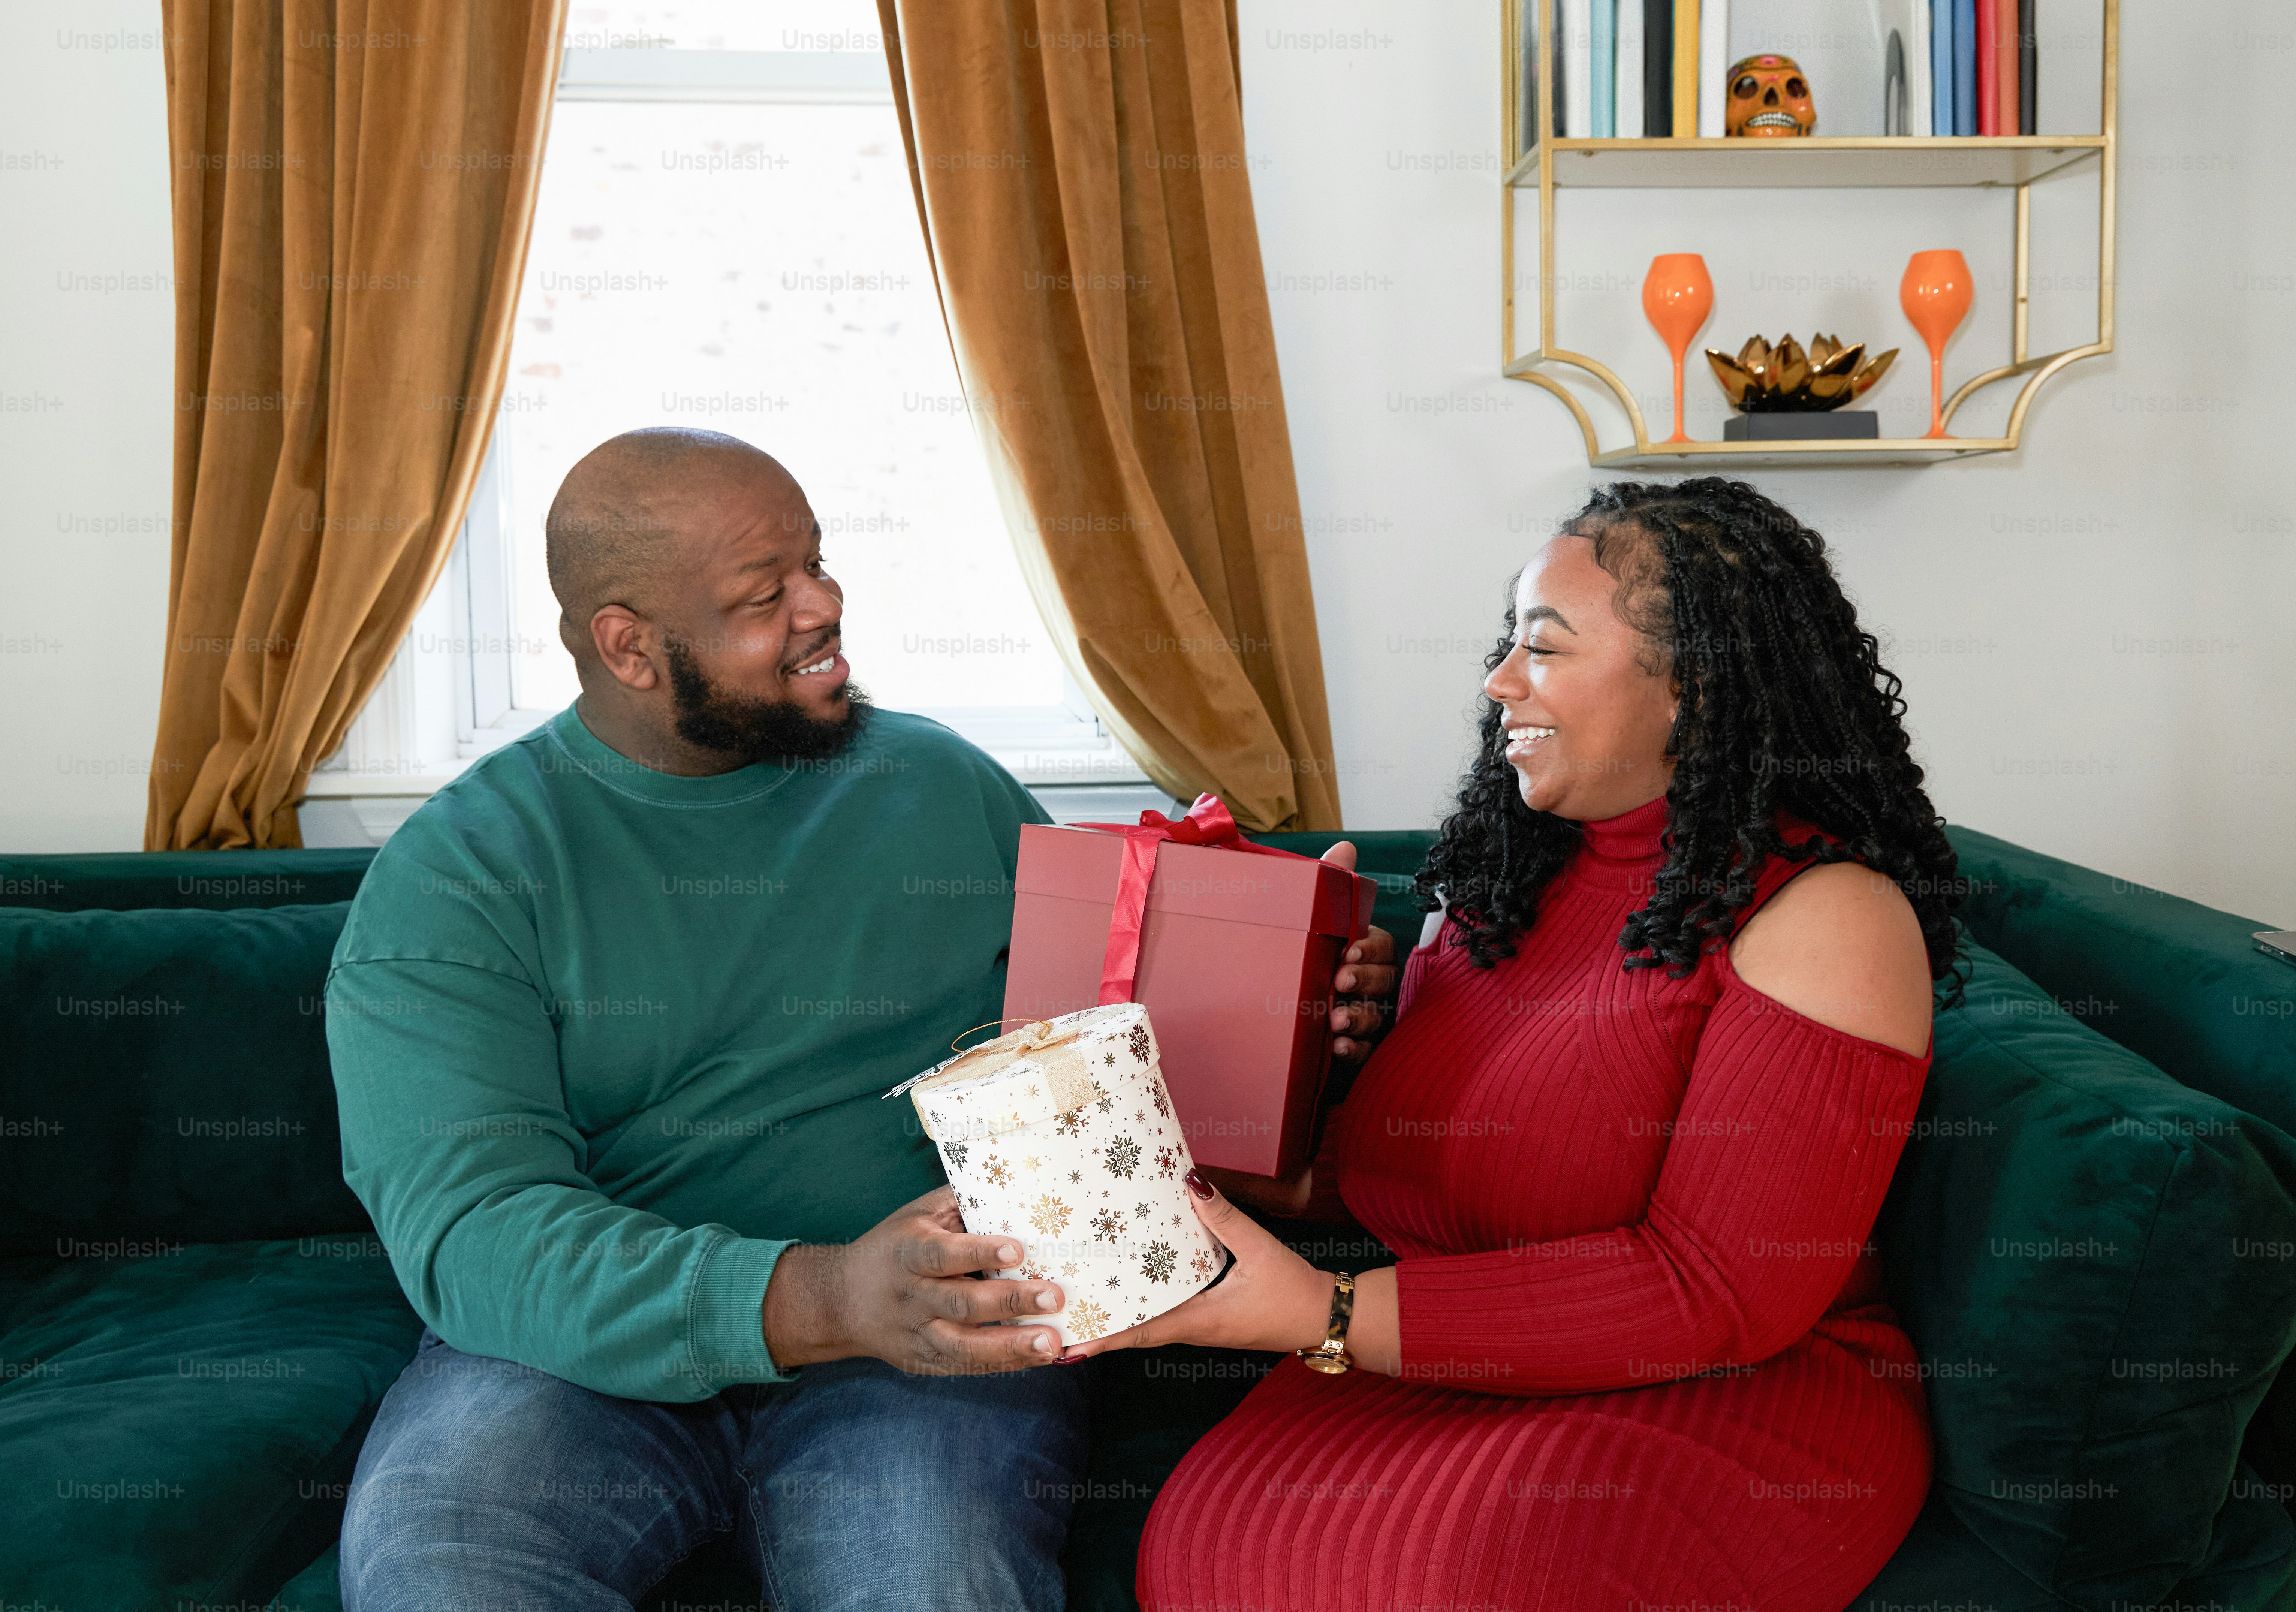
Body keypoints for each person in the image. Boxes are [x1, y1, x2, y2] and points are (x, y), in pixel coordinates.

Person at [325, 428, 1393, 1611]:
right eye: (762, 596)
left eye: (817, 564)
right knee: (439, 1572)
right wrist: (822, 1297)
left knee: (926, 1586)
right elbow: (474, 1234)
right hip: (577, 1359)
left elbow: (1101, 1062)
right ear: (629, 647)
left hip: (940, 1325)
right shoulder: (460, 877)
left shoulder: (937, 786)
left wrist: (1300, 1010)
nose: (823, 607)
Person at [1067, 478, 1958, 1612]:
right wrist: (1280, 1057)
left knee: (1460, 1578)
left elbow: (1721, 1294)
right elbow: (1410, 1180)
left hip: (1732, 1384)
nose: (1498, 681)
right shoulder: (1502, 884)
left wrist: (1327, 1316)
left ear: (1694, 686)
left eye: (1542, 647)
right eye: (1508, 643)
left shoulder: (1827, 916)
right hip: (1450, 1358)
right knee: (1204, 1553)